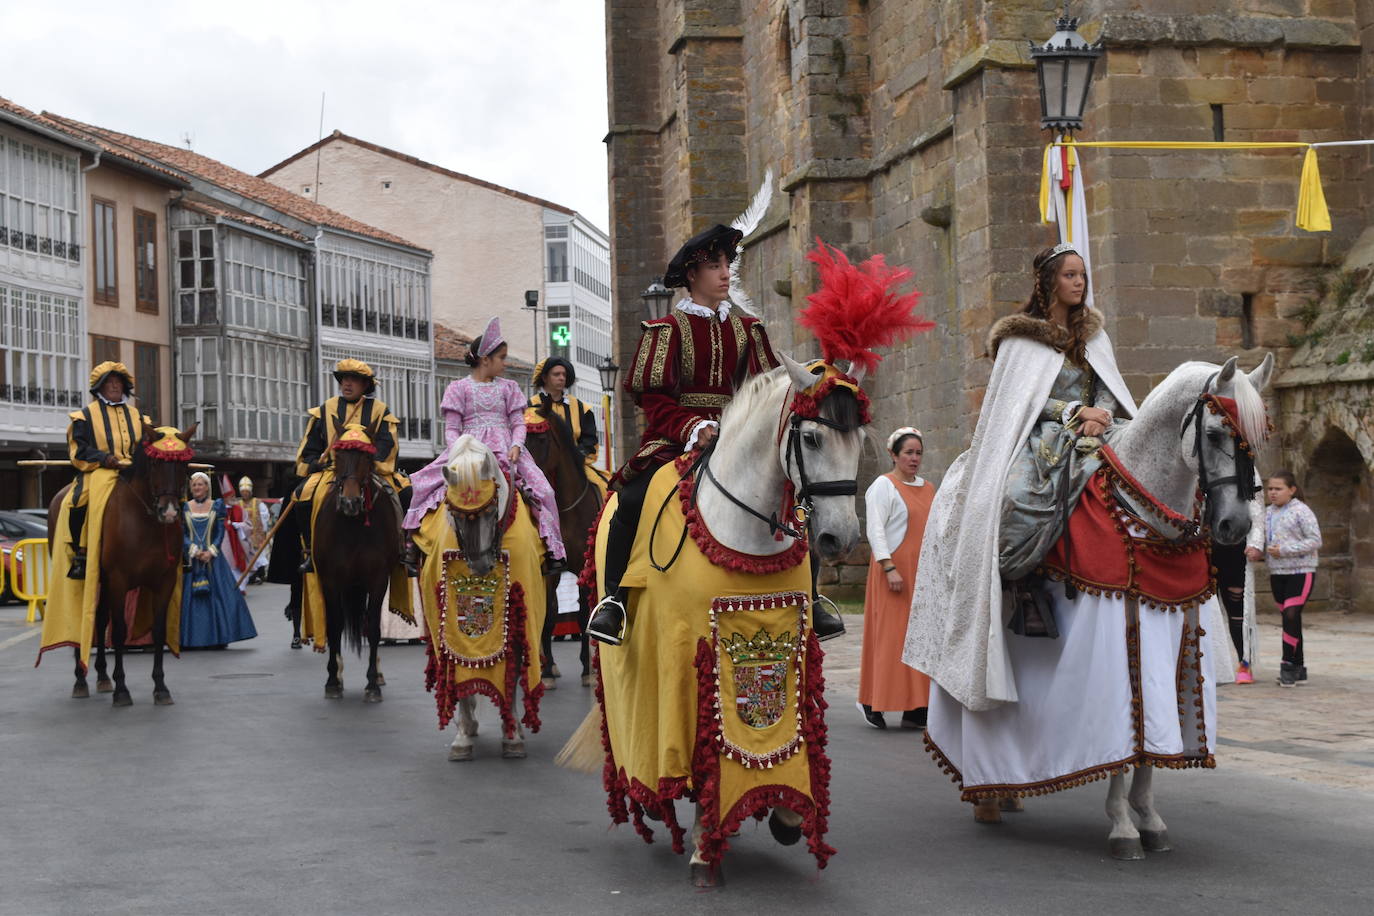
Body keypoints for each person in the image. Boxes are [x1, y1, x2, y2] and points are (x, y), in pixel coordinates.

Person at [585, 224, 844, 646]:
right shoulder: (665, 330)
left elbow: (764, 390)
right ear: (692, 275)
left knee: (797, 494)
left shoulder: (750, 330)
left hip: (739, 436)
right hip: (675, 438)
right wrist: (693, 427)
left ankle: (813, 597)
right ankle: (613, 601)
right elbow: (653, 398)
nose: (725, 274)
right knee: (632, 497)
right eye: (714, 266)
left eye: (727, 265)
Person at [403, 317, 566, 571]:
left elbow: (518, 422)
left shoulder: (509, 388)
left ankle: (551, 549)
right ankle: (412, 545)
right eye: (501, 357)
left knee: (544, 492)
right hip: (467, 449)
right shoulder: (458, 388)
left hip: (505, 451)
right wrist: (459, 452)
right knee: (423, 485)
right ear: (485, 359)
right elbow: (452, 428)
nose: (505, 362)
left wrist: (516, 445)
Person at [293, 359, 412, 574]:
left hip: (370, 469)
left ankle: (404, 549)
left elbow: (387, 443)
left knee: (405, 493)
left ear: (365, 385)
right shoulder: (325, 410)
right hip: (332, 470)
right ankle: (310, 551)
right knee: (302, 494)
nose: (347, 384)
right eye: (344, 379)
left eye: (354, 380)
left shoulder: (380, 411)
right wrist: (313, 463)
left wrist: (372, 464)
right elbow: (309, 447)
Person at [858, 427, 935, 730]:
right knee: (889, 639)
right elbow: (875, 529)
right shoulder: (883, 486)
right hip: (893, 572)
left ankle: (916, 706)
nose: (914, 458)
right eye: (908, 453)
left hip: (922, 573)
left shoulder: (929, 487)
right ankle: (870, 700)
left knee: (919, 641)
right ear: (894, 455)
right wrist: (889, 567)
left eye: (918, 453)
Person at [62, 362, 151, 580]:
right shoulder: (84, 416)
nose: (114, 386)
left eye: (118, 382)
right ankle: (80, 555)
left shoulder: (139, 417)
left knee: (168, 492)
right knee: (76, 500)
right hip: (100, 470)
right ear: (99, 387)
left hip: (134, 470)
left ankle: (178, 550)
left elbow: (149, 444)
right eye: (109, 382)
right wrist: (105, 458)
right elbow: (80, 450)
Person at [1256, 470, 1321, 687]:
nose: (1273, 493)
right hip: (1277, 573)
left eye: (1278, 488)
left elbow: (1315, 540)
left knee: (1291, 615)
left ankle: (1287, 666)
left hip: (1301, 571)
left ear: (1291, 490)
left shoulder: (1302, 511)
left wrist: (1285, 550)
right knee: (1290, 619)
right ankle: (1299, 667)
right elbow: (1261, 539)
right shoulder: (1266, 513)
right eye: (1270, 489)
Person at [180, 472, 258, 648]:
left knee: (219, 597)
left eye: (200, 484)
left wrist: (211, 551)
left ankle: (218, 637)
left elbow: (219, 531)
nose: (197, 488)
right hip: (191, 560)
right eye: (194, 485)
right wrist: (193, 550)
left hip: (213, 560)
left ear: (207, 487)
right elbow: (182, 533)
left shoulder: (216, 506)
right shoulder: (184, 507)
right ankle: (189, 639)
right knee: (187, 599)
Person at [528, 355, 609, 492]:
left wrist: (576, 459)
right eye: (556, 374)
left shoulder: (582, 408)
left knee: (602, 487)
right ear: (544, 377)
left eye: (564, 374)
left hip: (575, 466)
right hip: (539, 468)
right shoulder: (529, 407)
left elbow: (590, 442)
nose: (561, 378)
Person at [237, 476, 271, 585]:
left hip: (256, 535)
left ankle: (260, 575)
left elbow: (264, 517)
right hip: (244, 537)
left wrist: (263, 531)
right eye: (243, 492)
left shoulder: (258, 503)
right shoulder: (238, 504)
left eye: (247, 491)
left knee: (258, 556)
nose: (245, 494)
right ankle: (249, 577)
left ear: (250, 491)